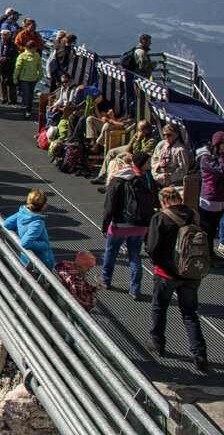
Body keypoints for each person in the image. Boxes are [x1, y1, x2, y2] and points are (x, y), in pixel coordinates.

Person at [146, 187, 210, 373]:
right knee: (190, 314)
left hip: (166, 273)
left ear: (163, 201)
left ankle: (157, 343)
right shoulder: (194, 216)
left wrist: (159, 263)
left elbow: (152, 248)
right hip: (191, 273)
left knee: (160, 307)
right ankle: (199, 354)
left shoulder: (161, 218)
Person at [100, 155, 151, 300]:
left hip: (120, 225)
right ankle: (135, 289)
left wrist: (104, 227)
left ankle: (106, 279)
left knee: (111, 251)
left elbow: (109, 208)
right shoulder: (139, 179)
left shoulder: (115, 182)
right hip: (139, 226)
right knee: (135, 256)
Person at [4, 189, 56, 269]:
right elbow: (26, 243)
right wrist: (44, 245)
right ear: (44, 205)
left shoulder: (23, 212)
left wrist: (20, 227)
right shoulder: (37, 223)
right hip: (41, 261)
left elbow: (7, 224)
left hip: (26, 258)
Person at [93, 120, 156, 185]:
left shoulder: (151, 141)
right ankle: (102, 176)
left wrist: (138, 140)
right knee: (111, 152)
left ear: (144, 132)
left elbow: (140, 153)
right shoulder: (137, 134)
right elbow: (130, 145)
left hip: (137, 154)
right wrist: (128, 152)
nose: (138, 131)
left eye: (140, 130)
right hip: (131, 150)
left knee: (119, 158)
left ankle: (112, 180)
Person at [199, 131, 224, 265]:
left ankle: (210, 254)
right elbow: (221, 170)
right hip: (209, 198)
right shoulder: (206, 158)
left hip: (220, 198)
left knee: (213, 228)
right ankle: (206, 256)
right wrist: (222, 156)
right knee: (207, 229)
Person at [152, 124, 192, 188]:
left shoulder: (180, 149)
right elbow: (153, 160)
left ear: (175, 135)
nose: (166, 137)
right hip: (158, 177)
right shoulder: (160, 145)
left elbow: (183, 169)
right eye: (164, 135)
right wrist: (159, 165)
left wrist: (170, 176)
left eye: (169, 135)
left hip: (173, 181)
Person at [13, 41, 45, 119]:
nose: (35, 50)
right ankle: (25, 108)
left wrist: (41, 75)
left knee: (31, 95)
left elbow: (39, 66)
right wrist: (15, 77)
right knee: (26, 94)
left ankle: (29, 108)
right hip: (24, 78)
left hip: (33, 78)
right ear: (28, 48)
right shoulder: (22, 56)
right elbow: (18, 67)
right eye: (33, 49)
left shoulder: (36, 56)